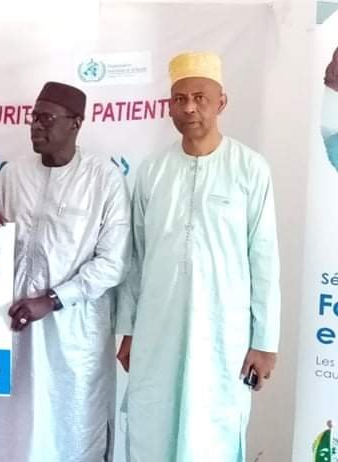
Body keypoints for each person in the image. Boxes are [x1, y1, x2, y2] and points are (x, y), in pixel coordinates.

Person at [117, 51, 281, 461]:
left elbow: (264, 259)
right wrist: (129, 330)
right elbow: (135, 257)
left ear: (221, 102)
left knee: (213, 434)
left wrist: (264, 342)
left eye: (200, 98)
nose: (189, 108)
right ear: (170, 106)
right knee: (152, 429)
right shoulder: (152, 171)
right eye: (180, 99)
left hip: (223, 334)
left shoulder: (249, 168)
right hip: (157, 330)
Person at [0, 81, 130, 461]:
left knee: (72, 430)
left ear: (75, 123)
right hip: (16, 324)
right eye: (34, 118)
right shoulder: (12, 175)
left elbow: (112, 263)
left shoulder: (104, 180)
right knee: (16, 430)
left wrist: (52, 300)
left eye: (46, 118)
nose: (36, 125)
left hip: (74, 331)